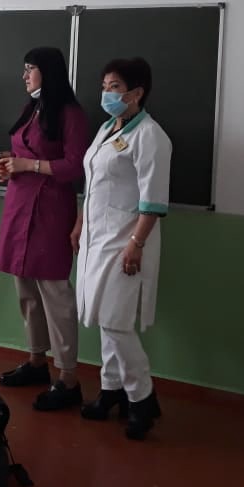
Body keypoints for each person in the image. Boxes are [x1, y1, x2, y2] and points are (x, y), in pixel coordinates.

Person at [73, 58, 171, 440]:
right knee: (103, 316)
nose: (106, 94)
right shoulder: (106, 129)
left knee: (116, 320)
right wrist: (80, 224)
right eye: (104, 86)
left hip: (127, 241)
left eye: (114, 87)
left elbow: (153, 201)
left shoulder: (151, 136)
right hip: (96, 238)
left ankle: (142, 398)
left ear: (137, 92)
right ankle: (111, 389)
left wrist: (136, 244)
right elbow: (94, 184)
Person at [0, 47, 89, 411]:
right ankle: (37, 361)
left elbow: (75, 166)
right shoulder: (33, 107)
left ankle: (68, 378)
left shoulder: (70, 114)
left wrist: (29, 166)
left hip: (50, 210)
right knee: (26, 287)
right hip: (20, 206)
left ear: (47, 72)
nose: (24, 76)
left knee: (55, 293)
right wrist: (9, 166)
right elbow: (23, 153)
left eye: (30, 69)